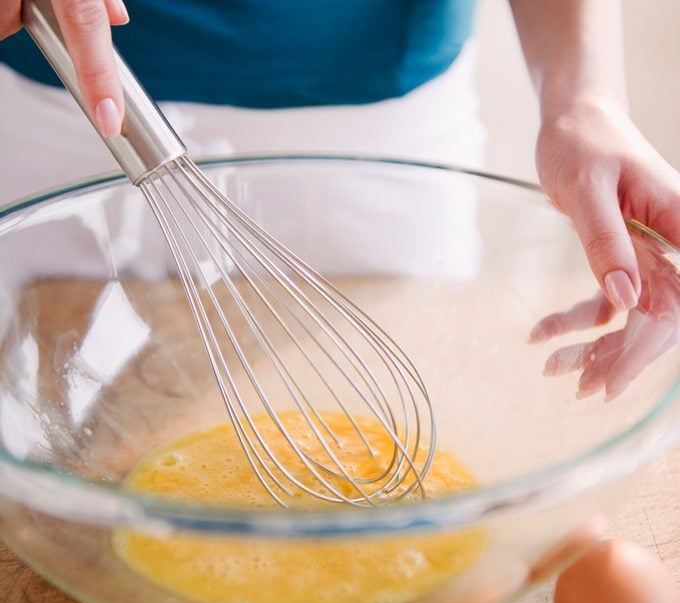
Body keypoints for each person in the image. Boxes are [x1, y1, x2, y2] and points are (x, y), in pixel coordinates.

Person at [1, 0, 679, 397]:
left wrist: (581, 99)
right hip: (73, 94)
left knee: (401, 400)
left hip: (381, 132)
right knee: (49, 396)